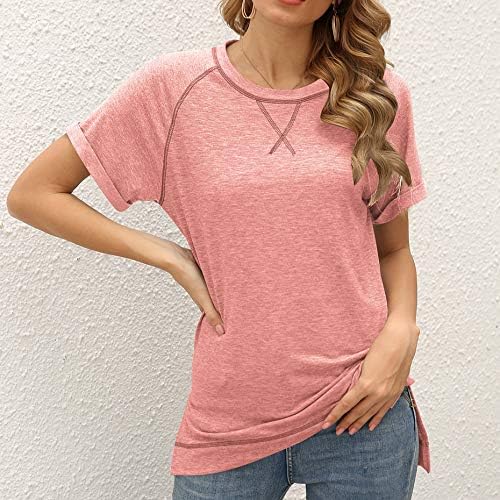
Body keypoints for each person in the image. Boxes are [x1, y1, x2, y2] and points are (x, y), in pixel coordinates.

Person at [7, 0, 431, 497]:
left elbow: (392, 251)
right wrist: (168, 256)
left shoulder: (375, 96)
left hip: (364, 408)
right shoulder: (173, 89)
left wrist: (401, 330)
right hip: (229, 421)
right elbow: (34, 194)